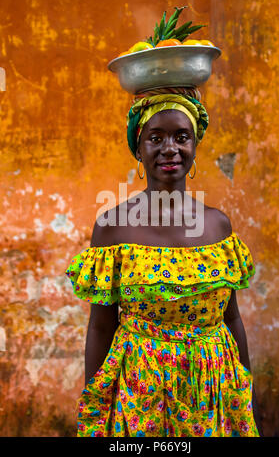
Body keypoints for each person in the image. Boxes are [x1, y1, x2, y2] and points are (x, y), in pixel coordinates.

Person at [65, 86, 263, 437]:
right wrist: (95, 409)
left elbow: (231, 317)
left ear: (195, 146)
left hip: (211, 389)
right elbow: (100, 326)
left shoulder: (218, 226)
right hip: (140, 392)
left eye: (181, 137)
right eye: (155, 138)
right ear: (138, 149)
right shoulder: (112, 228)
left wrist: (246, 399)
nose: (169, 148)